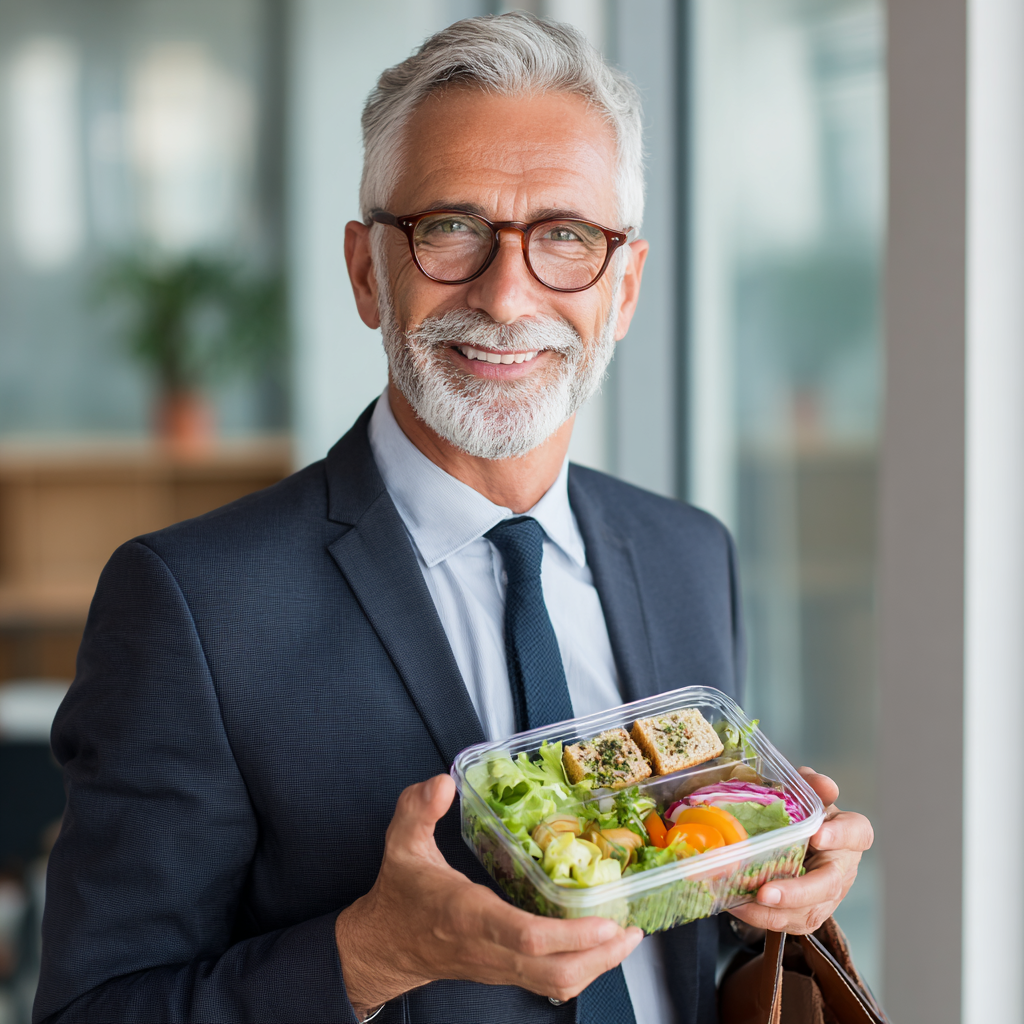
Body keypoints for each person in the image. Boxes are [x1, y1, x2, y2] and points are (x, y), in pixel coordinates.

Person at [33, 13, 873, 1024]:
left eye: (565, 235)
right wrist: (365, 956)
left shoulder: (688, 553)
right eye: (451, 229)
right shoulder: (195, 606)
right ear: (364, 270)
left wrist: (769, 890)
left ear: (626, 287)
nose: (508, 294)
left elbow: (668, 900)